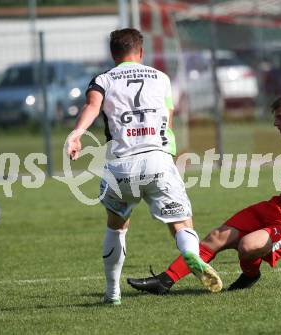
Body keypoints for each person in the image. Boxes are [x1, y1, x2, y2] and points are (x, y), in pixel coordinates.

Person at [127, 92, 281, 294]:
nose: (275, 123)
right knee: (217, 237)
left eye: (280, 118)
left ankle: (251, 274)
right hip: (276, 207)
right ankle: (165, 281)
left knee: (247, 246)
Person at [67, 28, 222, 305]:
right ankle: (190, 253)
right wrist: (169, 160)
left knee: (116, 226)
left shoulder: (103, 79)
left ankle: (112, 291)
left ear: (113, 54)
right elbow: (168, 121)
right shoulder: (161, 78)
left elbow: (92, 106)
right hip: (157, 159)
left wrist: (77, 134)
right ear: (140, 52)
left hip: (121, 166)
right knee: (181, 223)